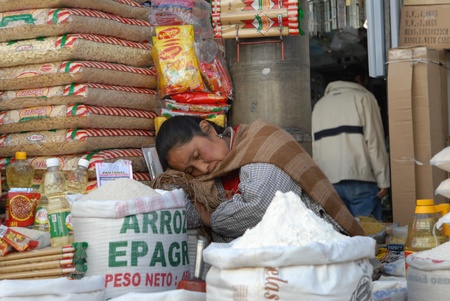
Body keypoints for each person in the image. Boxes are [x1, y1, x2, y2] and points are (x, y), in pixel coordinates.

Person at [152, 116, 364, 243]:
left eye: (197, 155)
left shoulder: (261, 141)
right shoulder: (209, 179)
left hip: (324, 253)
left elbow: (260, 207)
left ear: (207, 129)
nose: (203, 168)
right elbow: (186, 212)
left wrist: (211, 219)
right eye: (191, 169)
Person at [311, 63, 390, 221]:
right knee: (367, 234)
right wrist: (383, 180)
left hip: (329, 182)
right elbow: (374, 142)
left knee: (341, 237)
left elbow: (316, 149)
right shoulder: (364, 98)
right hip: (360, 179)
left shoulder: (319, 105)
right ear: (359, 79)